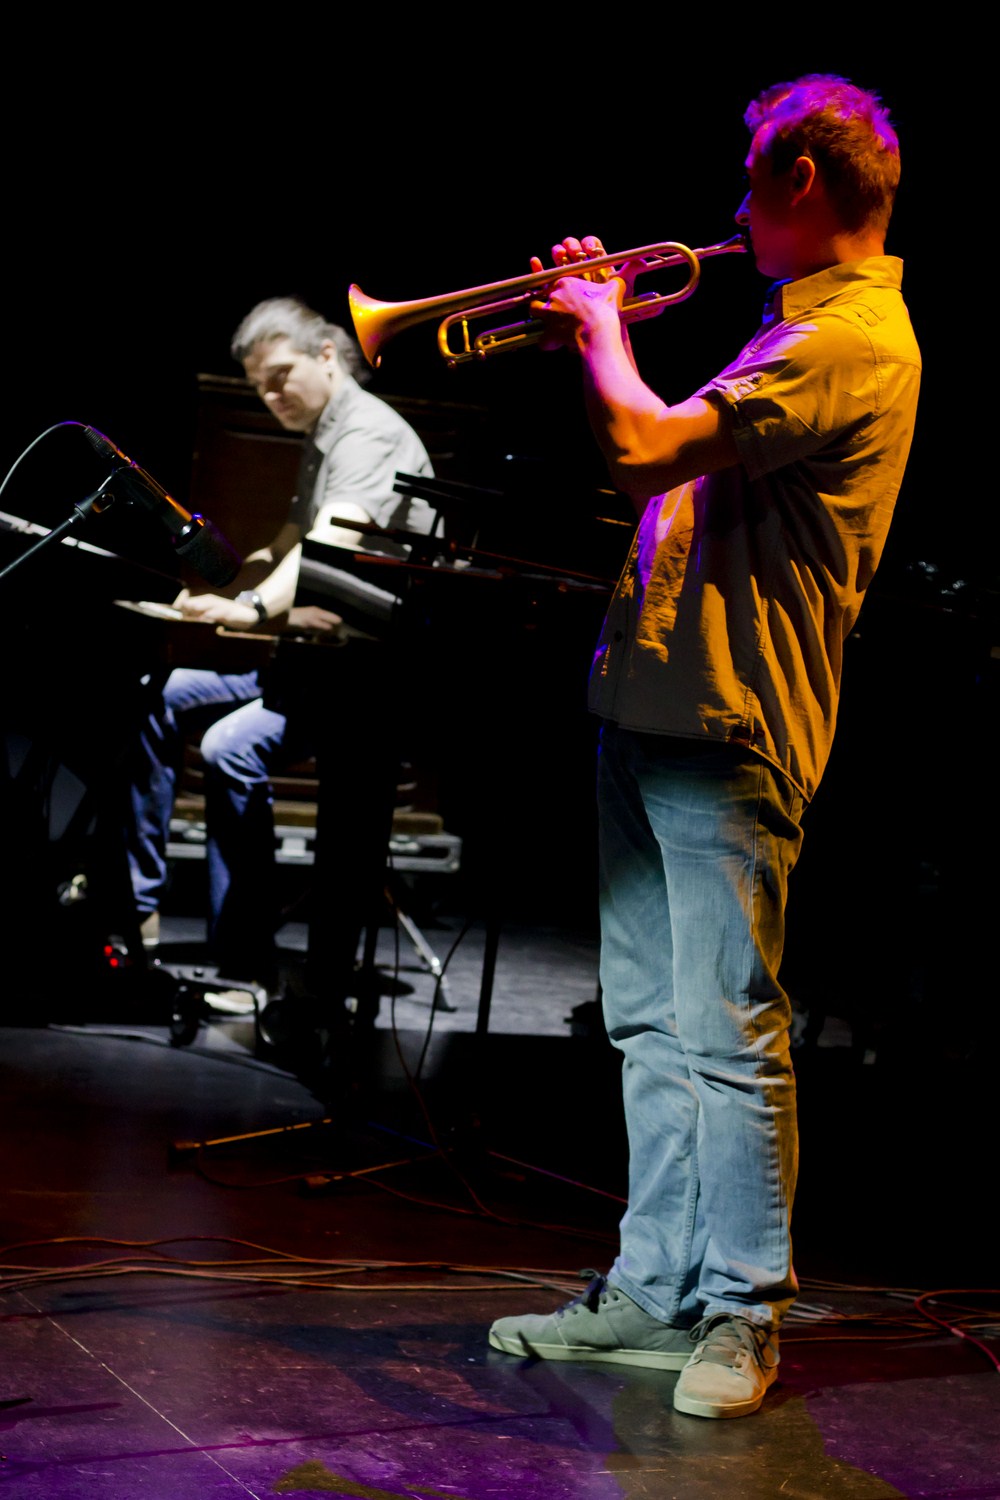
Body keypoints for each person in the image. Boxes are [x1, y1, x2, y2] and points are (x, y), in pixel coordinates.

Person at [487, 75, 920, 1418]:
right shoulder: (794, 327)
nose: (734, 210)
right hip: (654, 706)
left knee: (728, 1033)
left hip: (731, 724)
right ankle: (654, 1286)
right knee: (650, 1027)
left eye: (750, 181)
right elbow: (662, 456)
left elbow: (641, 449)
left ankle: (743, 1311)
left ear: (801, 181)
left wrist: (598, 328)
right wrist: (603, 335)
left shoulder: (850, 341)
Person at [126, 297, 435, 1000]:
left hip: (365, 677)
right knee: (160, 692)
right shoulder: (325, 431)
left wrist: (249, 608)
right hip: (312, 666)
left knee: (229, 746)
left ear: (326, 354)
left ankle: (244, 959)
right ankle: (136, 911)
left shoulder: (367, 432)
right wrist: (228, 580)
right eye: (260, 387)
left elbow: (333, 540)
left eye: (279, 377)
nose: (270, 397)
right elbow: (293, 538)